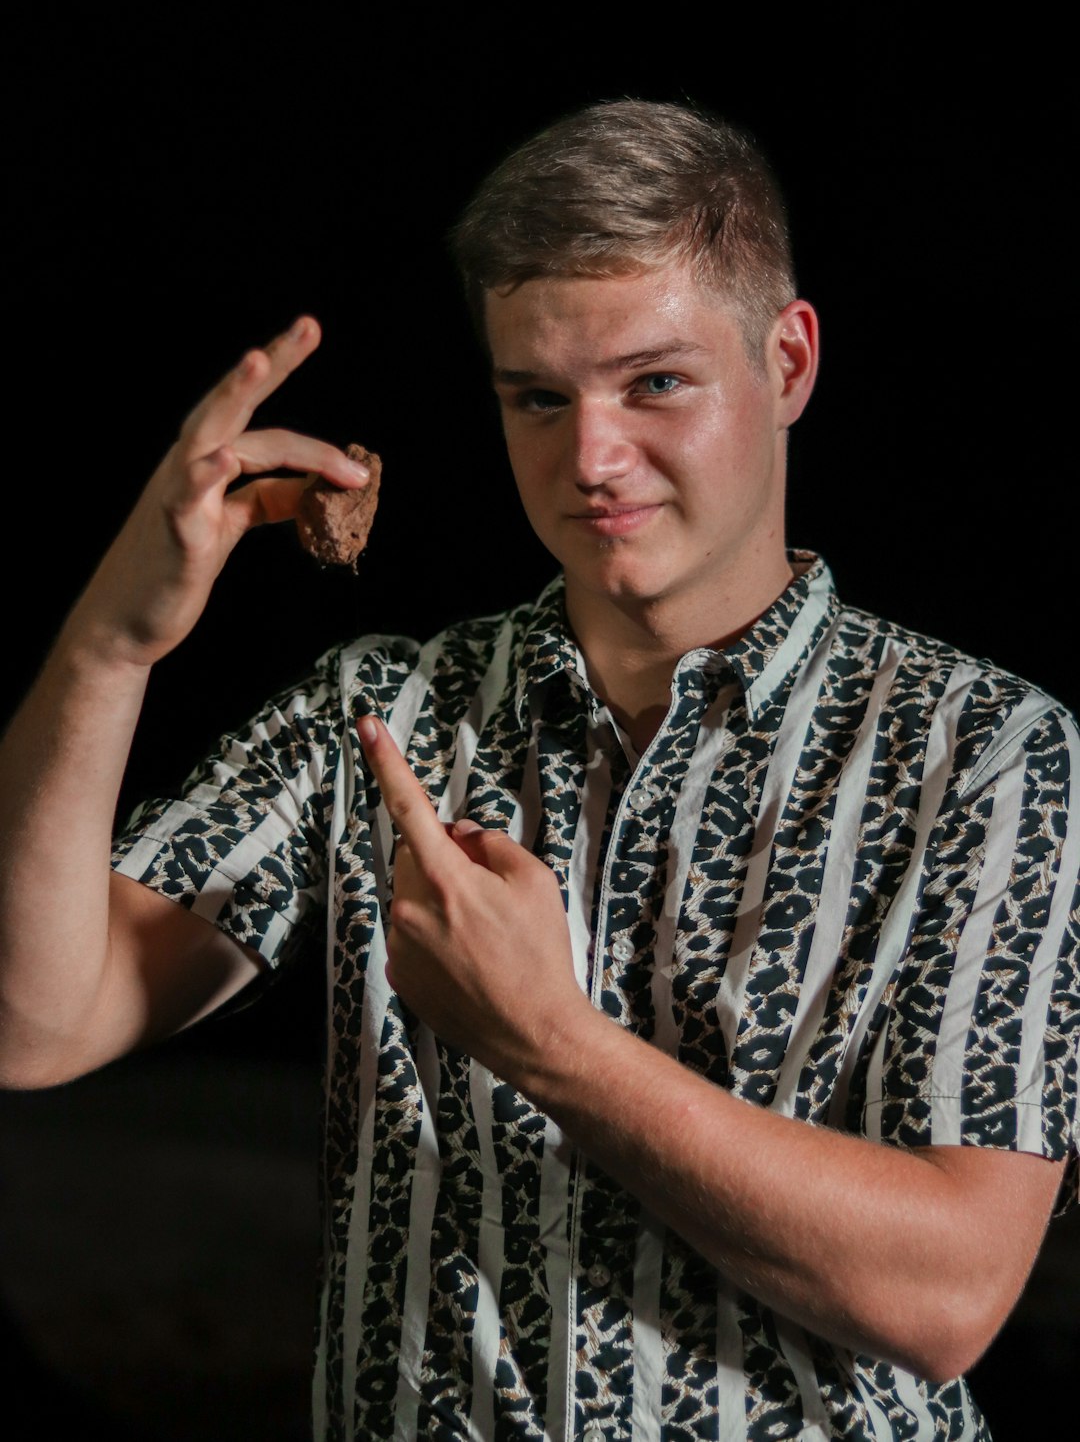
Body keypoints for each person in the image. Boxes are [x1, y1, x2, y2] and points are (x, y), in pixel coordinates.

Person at [1, 100, 1076, 1442]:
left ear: (788, 361)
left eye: (657, 382)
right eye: (538, 398)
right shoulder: (385, 710)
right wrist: (112, 645)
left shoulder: (981, 748)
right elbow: (35, 1022)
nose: (592, 459)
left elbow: (952, 1293)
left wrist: (553, 1045)